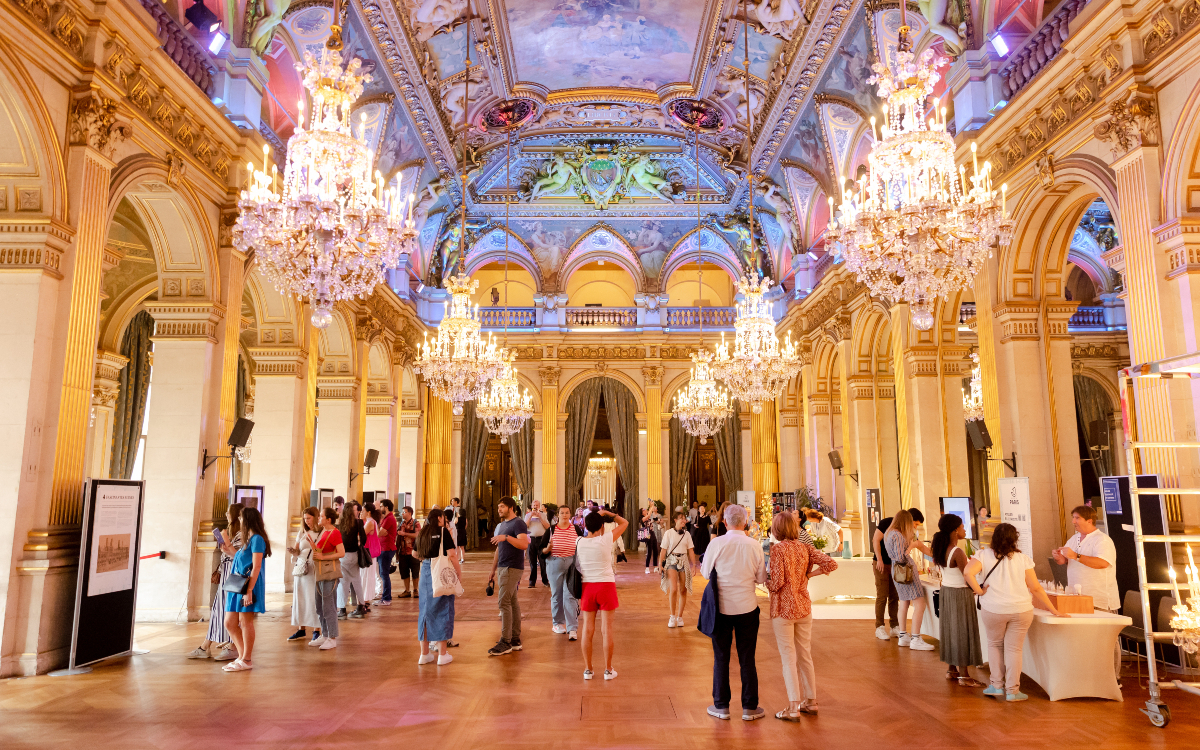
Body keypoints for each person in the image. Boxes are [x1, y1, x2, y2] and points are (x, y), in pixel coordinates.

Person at [965, 522, 1066, 701]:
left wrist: (980, 591)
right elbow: (1035, 588)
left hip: (994, 608)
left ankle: (996, 686)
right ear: (1015, 539)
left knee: (995, 645)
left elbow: (967, 573)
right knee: (1014, 649)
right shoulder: (1023, 559)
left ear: (994, 537)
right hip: (1021, 609)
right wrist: (1054, 610)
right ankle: (1013, 690)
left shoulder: (983, 555)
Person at [767, 511, 838, 720]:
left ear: (777, 529)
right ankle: (811, 702)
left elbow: (777, 582)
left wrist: (764, 582)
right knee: (805, 655)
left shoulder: (777, 550)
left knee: (788, 657)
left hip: (783, 609)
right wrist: (809, 574)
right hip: (803, 606)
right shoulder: (805, 547)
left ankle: (792, 707)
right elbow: (831, 564)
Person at [702, 504, 767, 722]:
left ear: (725, 522)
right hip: (747, 607)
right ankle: (749, 707)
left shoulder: (717, 543)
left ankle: (721, 706)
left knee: (721, 657)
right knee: (747, 658)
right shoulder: (754, 545)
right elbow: (761, 579)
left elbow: (704, 573)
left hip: (721, 608)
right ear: (745, 522)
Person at [931, 514, 984, 687]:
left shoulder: (941, 548)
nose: (965, 529)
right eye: (962, 526)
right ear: (955, 530)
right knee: (962, 631)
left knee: (950, 630)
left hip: (947, 592)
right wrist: (980, 590)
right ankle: (964, 675)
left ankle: (951, 669)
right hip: (960, 594)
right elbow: (967, 575)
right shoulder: (957, 552)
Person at [576, 508, 628, 680]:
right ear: (602, 527)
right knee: (607, 629)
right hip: (606, 585)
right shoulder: (606, 539)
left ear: (585, 525)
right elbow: (625, 523)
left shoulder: (579, 542)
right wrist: (608, 514)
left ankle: (588, 670)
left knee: (587, 629)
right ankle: (608, 669)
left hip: (587, 587)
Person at [187, 503, 243, 661]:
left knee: (228, 612)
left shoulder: (243, 535)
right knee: (220, 611)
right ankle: (206, 646)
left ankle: (229, 646)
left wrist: (226, 542)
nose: (226, 515)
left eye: (228, 513)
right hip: (227, 576)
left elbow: (239, 556)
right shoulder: (235, 534)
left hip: (234, 576)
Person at [222, 506, 271, 672]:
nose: (240, 520)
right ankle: (242, 657)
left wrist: (249, 590)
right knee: (229, 622)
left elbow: (256, 566)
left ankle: (247, 658)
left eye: (242, 518)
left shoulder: (257, 539)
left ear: (247, 519)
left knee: (245, 621)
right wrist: (228, 549)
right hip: (238, 584)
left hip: (248, 585)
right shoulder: (248, 539)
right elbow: (242, 561)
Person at [870, 508, 926, 641]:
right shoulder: (887, 523)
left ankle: (895, 625)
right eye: (915, 523)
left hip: (898, 566)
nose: (915, 527)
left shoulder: (906, 531)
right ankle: (880, 627)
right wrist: (879, 560)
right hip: (882, 564)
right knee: (882, 595)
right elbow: (875, 540)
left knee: (895, 596)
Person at [415, 507, 462, 666]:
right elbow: (453, 554)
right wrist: (458, 574)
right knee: (443, 609)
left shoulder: (423, 532)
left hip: (426, 572)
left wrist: (426, 557)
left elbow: (415, 554)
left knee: (425, 611)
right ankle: (442, 654)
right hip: (441, 571)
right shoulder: (443, 532)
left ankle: (424, 654)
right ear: (441, 518)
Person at [884, 509, 935, 651]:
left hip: (897, 570)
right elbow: (902, 556)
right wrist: (912, 546)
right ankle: (916, 638)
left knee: (904, 602)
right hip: (906, 571)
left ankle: (903, 635)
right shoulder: (899, 535)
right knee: (919, 602)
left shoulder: (889, 533)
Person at [1053, 505, 1119, 610]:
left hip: (1098, 601)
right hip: (1076, 598)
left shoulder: (1102, 540)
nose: (1073, 521)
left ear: (1089, 521)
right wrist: (1058, 557)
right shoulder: (1074, 538)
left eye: (1077, 518)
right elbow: (1064, 561)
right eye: (1073, 518)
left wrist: (1075, 556)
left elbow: (1103, 563)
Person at [487, 496, 529, 656]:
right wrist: (493, 569)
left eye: (502, 506)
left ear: (511, 507)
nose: (499, 509)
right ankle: (515, 639)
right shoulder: (502, 525)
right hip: (503, 566)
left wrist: (506, 537)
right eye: (498, 507)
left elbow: (524, 544)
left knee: (503, 602)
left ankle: (506, 641)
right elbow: (499, 549)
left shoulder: (518, 523)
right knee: (512, 601)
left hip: (512, 567)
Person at [543, 504, 583, 640]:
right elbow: (541, 551)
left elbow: (582, 546)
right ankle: (558, 623)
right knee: (557, 595)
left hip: (572, 563)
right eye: (562, 513)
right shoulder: (551, 529)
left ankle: (572, 628)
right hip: (555, 564)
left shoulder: (576, 529)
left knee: (570, 595)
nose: (565, 515)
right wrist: (548, 548)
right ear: (557, 515)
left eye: (567, 513)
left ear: (570, 515)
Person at [311, 507, 344, 650]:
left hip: (329, 572)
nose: (319, 518)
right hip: (320, 572)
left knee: (328, 606)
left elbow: (341, 553)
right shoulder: (323, 532)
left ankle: (332, 637)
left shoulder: (335, 533)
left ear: (328, 519)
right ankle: (325, 634)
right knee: (319, 606)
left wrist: (324, 557)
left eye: (321, 516)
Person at [286, 507, 321, 643]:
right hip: (301, 566)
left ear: (316, 517)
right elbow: (297, 549)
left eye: (309, 518)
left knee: (313, 598)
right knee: (299, 598)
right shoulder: (302, 532)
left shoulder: (321, 532)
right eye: (304, 518)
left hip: (313, 567)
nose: (306, 521)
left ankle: (316, 629)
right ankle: (301, 628)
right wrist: (293, 552)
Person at [659, 511, 697, 628]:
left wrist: (694, 565)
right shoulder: (668, 533)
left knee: (683, 590)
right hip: (671, 561)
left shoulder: (687, 534)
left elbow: (690, 550)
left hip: (683, 561)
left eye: (684, 519)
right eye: (681, 518)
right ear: (675, 520)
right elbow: (663, 550)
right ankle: (672, 616)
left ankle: (680, 617)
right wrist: (660, 564)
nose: (683, 520)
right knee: (674, 589)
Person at [337, 502, 367, 619]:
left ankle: (342, 610)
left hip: (343, 555)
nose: (357, 512)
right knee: (357, 581)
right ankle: (361, 606)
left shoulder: (340, 523)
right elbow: (364, 539)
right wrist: (359, 544)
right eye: (355, 510)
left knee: (343, 583)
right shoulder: (358, 522)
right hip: (354, 555)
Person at [524, 499, 550, 588]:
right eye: (534, 505)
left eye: (537, 505)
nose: (535, 507)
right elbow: (524, 527)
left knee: (543, 561)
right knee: (532, 562)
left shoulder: (543, 515)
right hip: (531, 540)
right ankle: (532, 581)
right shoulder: (527, 515)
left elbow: (548, 527)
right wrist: (530, 517)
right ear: (531, 506)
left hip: (541, 540)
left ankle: (545, 581)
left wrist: (541, 518)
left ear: (539, 506)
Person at [376, 499, 398, 605]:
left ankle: (386, 598)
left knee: (384, 574)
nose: (380, 508)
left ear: (386, 507)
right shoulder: (386, 518)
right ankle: (385, 597)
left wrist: (379, 532)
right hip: (384, 548)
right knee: (383, 573)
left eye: (381, 506)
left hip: (387, 548)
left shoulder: (389, 519)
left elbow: (379, 532)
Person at [361, 502, 381, 608]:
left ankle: (365, 600)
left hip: (368, 552)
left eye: (363, 511)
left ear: (368, 512)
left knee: (366, 575)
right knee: (367, 575)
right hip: (370, 552)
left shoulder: (370, 522)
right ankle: (365, 600)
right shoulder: (372, 521)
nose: (361, 513)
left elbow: (361, 536)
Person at [397, 506, 420, 598]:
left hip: (413, 552)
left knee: (415, 572)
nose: (402, 513)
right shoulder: (401, 524)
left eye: (404, 512)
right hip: (403, 552)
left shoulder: (416, 523)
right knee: (404, 572)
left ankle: (415, 590)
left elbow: (418, 535)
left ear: (410, 513)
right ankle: (407, 590)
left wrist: (405, 534)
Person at [641, 507, 661, 574]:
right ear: (642, 513)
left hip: (652, 533)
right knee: (649, 552)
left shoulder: (648, 518)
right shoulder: (643, 518)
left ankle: (655, 567)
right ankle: (647, 568)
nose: (645, 510)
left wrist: (654, 520)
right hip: (647, 534)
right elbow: (648, 515)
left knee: (656, 551)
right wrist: (652, 506)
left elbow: (650, 521)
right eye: (644, 510)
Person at [451, 497, 467, 562]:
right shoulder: (465, 519)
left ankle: (458, 558)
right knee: (462, 547)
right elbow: (466, 526)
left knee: (457, 547)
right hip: (463, 532)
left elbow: (453, 525)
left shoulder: (457, 519)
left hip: (457, 532)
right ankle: (463, 558)